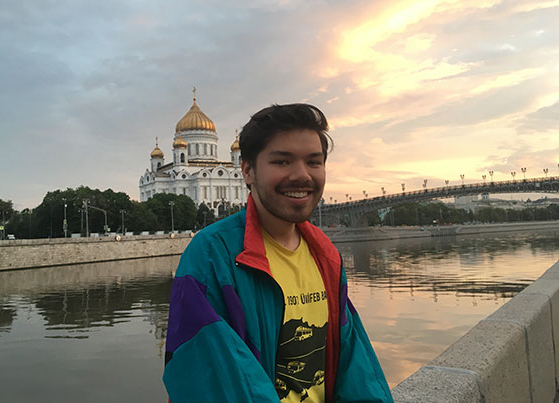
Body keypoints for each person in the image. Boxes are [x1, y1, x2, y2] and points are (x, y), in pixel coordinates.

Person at [163, 103, 392, 402]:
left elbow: (356, 367)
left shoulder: (325, 254)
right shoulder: (212, 256)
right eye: (282, 162)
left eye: (314, 162)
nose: (301, 176)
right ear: (247, 170)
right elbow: (216, 381)